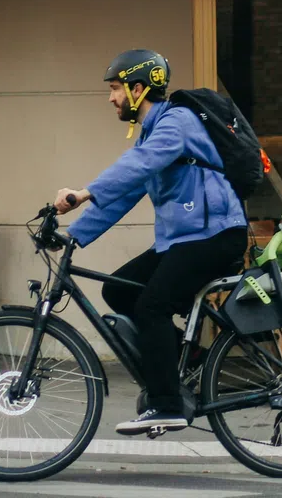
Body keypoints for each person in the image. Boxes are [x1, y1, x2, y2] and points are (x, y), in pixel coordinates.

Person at [54, 49, 250, 434]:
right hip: (188, 238)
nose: (111, 98)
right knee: (118, 291)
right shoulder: (154, 132)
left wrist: (84, 192)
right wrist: (72, 235)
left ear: (138, 89)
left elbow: (139, 165)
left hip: (215, 236)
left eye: (115, 89)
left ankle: (165, 404)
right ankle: (187, 357)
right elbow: (128, 191)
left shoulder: (177, 122)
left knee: (151, 307)